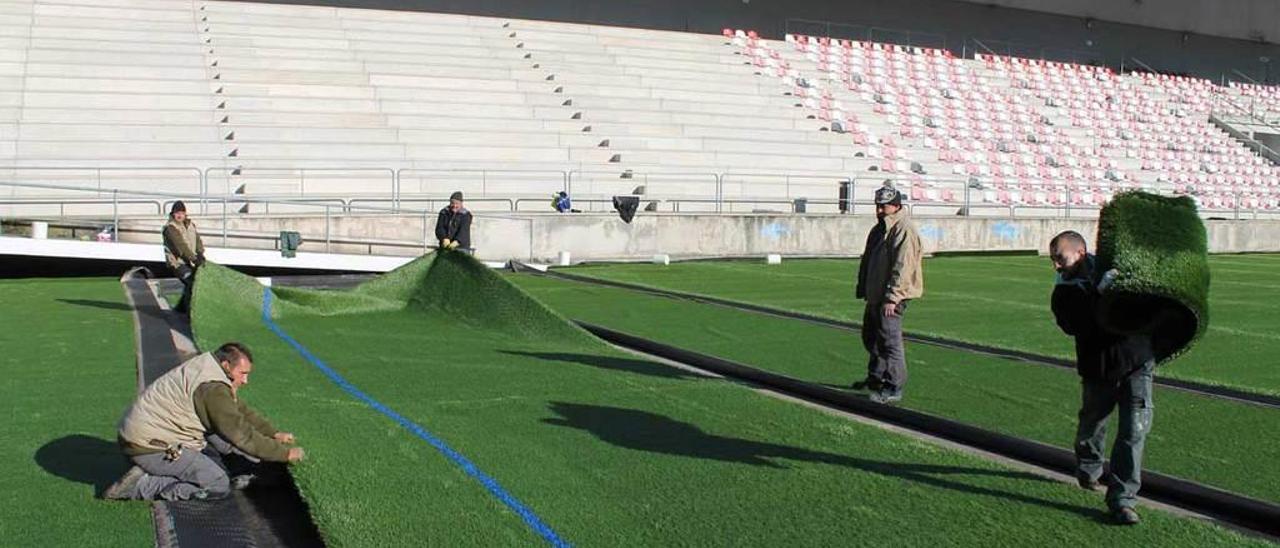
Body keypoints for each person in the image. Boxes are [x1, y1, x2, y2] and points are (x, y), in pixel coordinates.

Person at [105, 343, 305, 501]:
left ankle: (230, 466)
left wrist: (272, 433)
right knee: (217, 484)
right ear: (227, 366)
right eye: (242, 374)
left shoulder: (209, 366)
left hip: (144, 433)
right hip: (149, 447)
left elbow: (237, 409)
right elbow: (240, 434)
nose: (245, 381)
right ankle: (141, 485)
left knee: (219, 435)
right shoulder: (212, 388)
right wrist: (284, 453)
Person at [1049, 230, 1154, 526]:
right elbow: (1075, 324)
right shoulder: (1063, 291)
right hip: (1099, 366)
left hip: (1136, 359)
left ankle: (1122, 498)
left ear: (1080, 253)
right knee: (1093, 422)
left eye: (1060, 258)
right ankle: (1089, 465)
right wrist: (1098, 293)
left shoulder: (1115, 266)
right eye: (1053, 259)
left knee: (1134, 430)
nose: (1056, 265)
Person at [853, 183, 923, 404]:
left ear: (896, 205)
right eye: (877, 206)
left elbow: (903, 267)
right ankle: (876, 377)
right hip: (875, 293)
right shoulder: (880, 228)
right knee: (871, 338)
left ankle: (894, 386)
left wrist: (893, 297)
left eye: (884, 206)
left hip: (891, 296)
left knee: (890, 342)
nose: (879, 210)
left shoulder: (903, 229)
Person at [162, 201, 205, 314]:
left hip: (190, 262)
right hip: (177, 263)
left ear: (185, 214)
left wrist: (200, 253)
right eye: (177, 213)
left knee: (192, 282)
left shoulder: (191, 225)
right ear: (173, 214)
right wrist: (194, 259)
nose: (180, 215)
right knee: (191, 282)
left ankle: (180, 308)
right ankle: (189, 312)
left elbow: (198, 240)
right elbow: (180, 246)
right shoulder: (170, 228)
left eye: (182, 212)